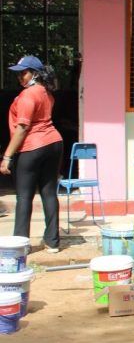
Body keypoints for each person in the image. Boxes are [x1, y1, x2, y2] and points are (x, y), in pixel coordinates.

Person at [2, 56, 63, 253]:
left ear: (35, 73)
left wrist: (7, 156)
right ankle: (53, 242)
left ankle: (20, 245)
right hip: (54, 143)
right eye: (18, 73)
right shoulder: (47, 93)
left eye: (24, 72)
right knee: (48, 193)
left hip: (32, 147)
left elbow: (22, 128)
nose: (20, 77)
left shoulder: (28, 95)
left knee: (24, 197)